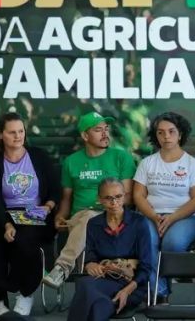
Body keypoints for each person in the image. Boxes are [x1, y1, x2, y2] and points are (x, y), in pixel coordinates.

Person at [0, 112, 60, 318]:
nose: (18, 136)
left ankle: (25, 294)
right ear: (1, 135)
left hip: (35, 212)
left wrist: (47, 206)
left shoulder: (38, 156)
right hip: (3, 213)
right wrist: (7, 225)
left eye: (21, 131)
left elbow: (55, 190)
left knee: (25, 239)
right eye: (12, 132)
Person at [43, 111, 136, 289]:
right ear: (85, 135)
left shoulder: (121, 157)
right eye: (98, 130)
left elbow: (128, 196)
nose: (105, 134)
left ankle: (62, 268)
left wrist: (104, 204)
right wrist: (61, 216)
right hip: (79, 218)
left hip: (114, 216)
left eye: (106, 129)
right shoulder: (71, 162)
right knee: (86, 218)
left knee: (90, 218)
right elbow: (66, 198)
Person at [133, 111, 195, 301]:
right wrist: (155, 217)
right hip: (151, 215)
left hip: (185, 218)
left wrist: (171, 218)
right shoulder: (147, 163)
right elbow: (138, 195)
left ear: (180, 134)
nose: (166, 136)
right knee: (147, 241)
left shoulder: (193, 164)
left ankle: (159, 285)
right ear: (155, 135)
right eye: (161, 132)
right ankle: (160, 292)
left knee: (172, 243)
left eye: (171, 131)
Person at [67, 178, 154, 321]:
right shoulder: (94, 223)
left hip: (131, 284)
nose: (114, 202)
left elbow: (146, 267)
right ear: (99, 199)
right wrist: (90, 264)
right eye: (108, 198)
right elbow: (90, 256)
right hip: (103, 279)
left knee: (85, 286)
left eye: (118, 197)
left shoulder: (138, 222)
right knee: (98, 304)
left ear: (125, 196)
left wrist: (126, 291)